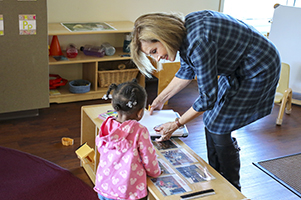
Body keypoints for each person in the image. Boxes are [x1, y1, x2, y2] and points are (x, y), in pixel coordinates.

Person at [130, 10, 281, 191]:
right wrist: (160, 99)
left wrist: (176, 123)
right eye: (151, 55)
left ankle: (232, 187)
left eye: (154, 51)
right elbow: (187, 70)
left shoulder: (198, 41)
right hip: (239, 67)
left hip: (259, 68)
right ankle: (218, 177)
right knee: (212, 120)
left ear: (164, 35)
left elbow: (208, 98)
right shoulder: (185, 34)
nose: (157, 58)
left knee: (218, 124)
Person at [94, 79, 161, 200]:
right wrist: (155, 172)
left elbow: (101, 149)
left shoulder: (106, 125)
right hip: (128, 192)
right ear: (140, 112)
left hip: (104, 187)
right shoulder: (140, 130)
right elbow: (148, 158)